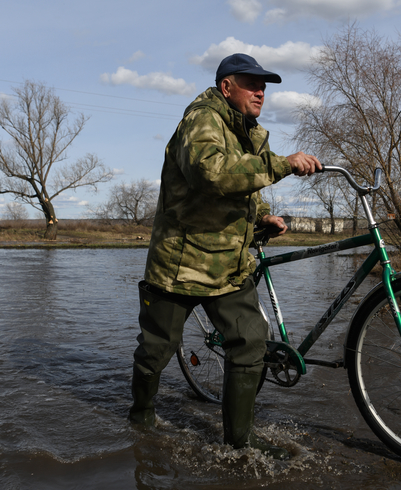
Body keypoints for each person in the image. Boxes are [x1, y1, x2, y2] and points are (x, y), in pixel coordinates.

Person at [129, 53, 320, 460]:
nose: (261, 92)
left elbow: (238, 187)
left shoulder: (245, 132)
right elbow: (211, 173)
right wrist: (283, 164)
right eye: (252, 83)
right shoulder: (202, 118)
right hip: (179, 266)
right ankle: (141, 416)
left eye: (264, 86)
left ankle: (239, 442)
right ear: (226, 86)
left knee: (251, 342)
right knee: (155, 351)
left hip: (228, 267)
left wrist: (261, 215)